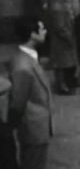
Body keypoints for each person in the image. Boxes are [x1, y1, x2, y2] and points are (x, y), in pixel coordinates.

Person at [6, 18, 52, 169]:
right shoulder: (23, 67)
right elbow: (18, 103)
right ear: (33, 35)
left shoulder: (28, 58)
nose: (45, 31)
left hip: (36, 127)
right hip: (32, 128)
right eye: (41, 29)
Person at [48, 0, 78, 94]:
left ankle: (67, 83)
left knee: (66, 63)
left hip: (65, 39)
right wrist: (69, 38)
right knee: (62, 65)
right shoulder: (58, 8)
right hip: (62, 41)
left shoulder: (62, 4)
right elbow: (60, 27)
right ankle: (62, 86)